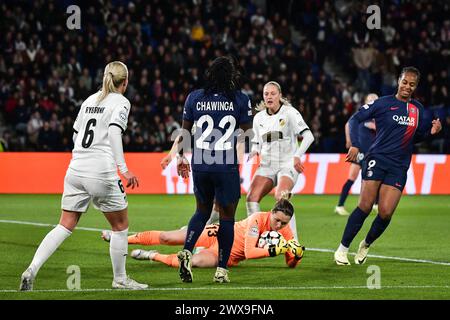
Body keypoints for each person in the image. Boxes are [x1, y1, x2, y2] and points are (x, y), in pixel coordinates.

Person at [19, 61, 148, 291]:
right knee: (120, 227)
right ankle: (120, 279)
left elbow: (76, 134)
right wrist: (123, 168)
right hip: (101, 171)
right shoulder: (121, 101)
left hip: (76, 168)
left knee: (64, 225)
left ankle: (32, 268)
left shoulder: (90, 100)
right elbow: (114, 132)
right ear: (125, 82)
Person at [334, 67, 442, 266]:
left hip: (399, 166)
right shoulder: (383, 103)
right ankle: (342, 249)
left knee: (385, 212)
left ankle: (366, 244)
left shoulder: (417, 109)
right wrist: (356, 144)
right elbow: (356, 119)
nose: (407, 87)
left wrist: (430, 132)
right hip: (377, 158)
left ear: (416, 86)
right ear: (398, 81)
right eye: (404, 82)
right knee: (365, 206)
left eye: (412, 84)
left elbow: (413, 138)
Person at [160, 56, 253, 283]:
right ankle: (221, 269)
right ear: (231, 76)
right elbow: (247, 138)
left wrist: (180, 158)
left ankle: (187, 250)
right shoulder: (240, 99)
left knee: (202, 212)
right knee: (227, 218)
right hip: (225, 165)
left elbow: (183, 134)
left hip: (200, 165)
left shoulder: (194, 97)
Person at [101, 194, 305, 268]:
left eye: (283, 224)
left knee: (194, 262)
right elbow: (251, 252)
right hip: (216, 233)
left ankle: (153, 256)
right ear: (272, 212)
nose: (279, 226)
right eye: (277, 220)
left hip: (225, 256)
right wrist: (276, 250)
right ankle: (119, 238)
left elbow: (290, 263)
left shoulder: (285, 233)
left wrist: (295, 257)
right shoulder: (256, 219)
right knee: (167, 236)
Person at [246, 81, 314, 240]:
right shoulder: (259, 118)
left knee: (281, 196)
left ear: (280, 96)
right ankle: (256, 237)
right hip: (267, 165)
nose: (269, 96)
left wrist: (297, 155)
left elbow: (309, 136)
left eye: (273, 93)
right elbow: (257, 141)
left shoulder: (290, 113)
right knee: (251, 198)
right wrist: (254, 150)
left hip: (287, 164)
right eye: (266, 94)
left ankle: (293, 242)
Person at [335, 93, 378, 216]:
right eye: (370, 100)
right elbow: (348, 124)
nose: (372, 102)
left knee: (375, 179)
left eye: (374, 100)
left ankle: (375, 204)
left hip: (373, 153)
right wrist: (349, 140)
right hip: (360, 151)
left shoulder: (379, 116)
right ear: (365, 101)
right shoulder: (362, 114)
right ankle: (340, 205)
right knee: (352, 178)